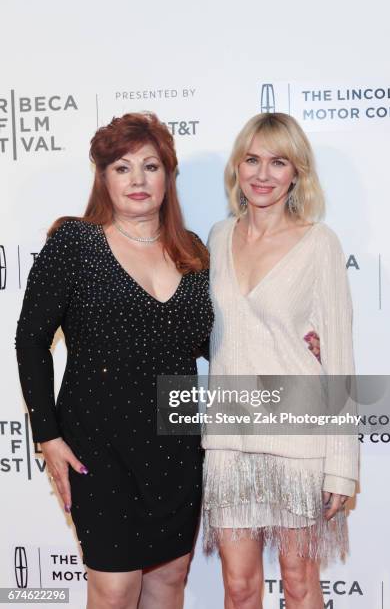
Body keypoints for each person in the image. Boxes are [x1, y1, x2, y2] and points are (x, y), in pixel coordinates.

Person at [15, 112, 213, 609]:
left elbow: (217, 342)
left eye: (150, 166)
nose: (138, 180)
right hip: (98, 443)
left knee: (170, 579)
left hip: (177, 440)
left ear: (168, 175)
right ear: (103, 178)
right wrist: (48, 436)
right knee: (115, 587)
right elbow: (31, 339)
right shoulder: (74, 243)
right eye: (122, 168)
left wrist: (297, 343)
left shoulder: (193, 253)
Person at [202, 113, 358, 609]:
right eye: (252, 159)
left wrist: (342, 467)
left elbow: (340, 361)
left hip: (298, 439)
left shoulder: (319, 244)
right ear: (237, 168)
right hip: (229, 443)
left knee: (298, 582)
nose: (262, 174)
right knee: (239, 587)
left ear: (297, 173)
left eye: (278, 161)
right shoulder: (218, 238)